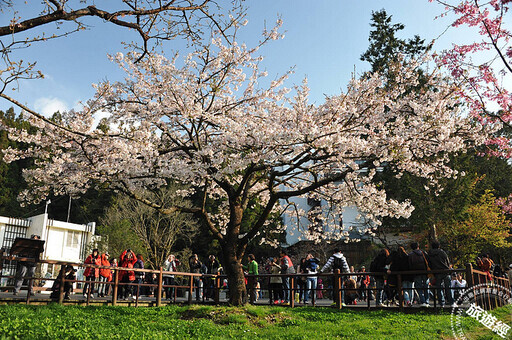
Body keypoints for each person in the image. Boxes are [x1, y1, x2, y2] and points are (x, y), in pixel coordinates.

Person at [428, 240, 454, 307]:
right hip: (445, 271)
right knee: (448, 287)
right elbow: (447, 261)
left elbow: (429, 264)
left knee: (439, 288)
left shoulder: (430, 254)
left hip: (436, 272)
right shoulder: (442, 252)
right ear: (439, 246)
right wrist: (448, 267)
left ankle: (441, 303)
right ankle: (451, 302)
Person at [408, 242, 430, 307]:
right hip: (425, 272)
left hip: (416, 273)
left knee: (418, 287)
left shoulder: (410, 255)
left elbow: (410, 265)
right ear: (418, 246)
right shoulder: (423, 253)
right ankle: (427, 301)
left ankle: (422, 301)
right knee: (426, 287)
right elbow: (428, 261)